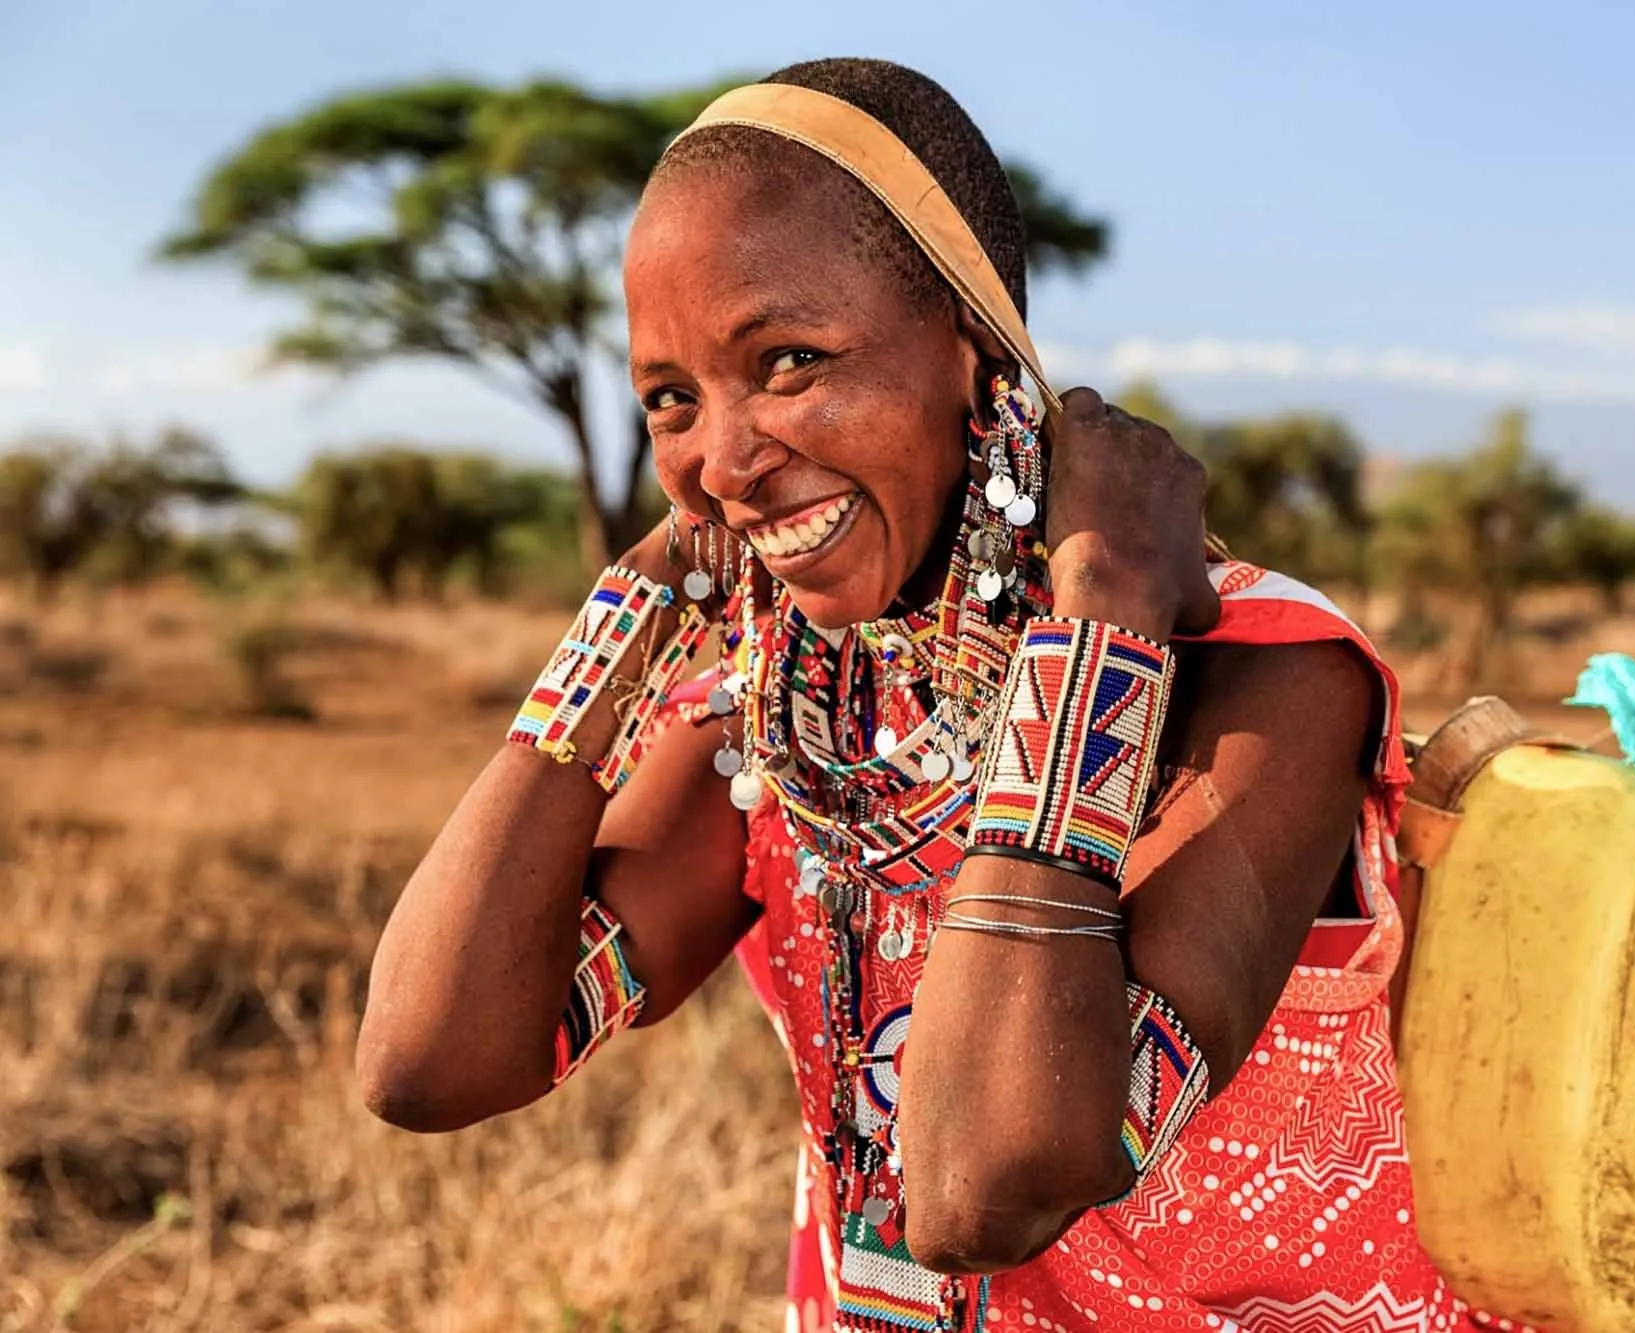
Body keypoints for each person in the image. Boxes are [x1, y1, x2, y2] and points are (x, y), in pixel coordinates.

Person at [358, 57, 1496, 1333]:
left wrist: (1099, 617)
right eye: (671, 397)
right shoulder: (787, 710)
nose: (723, 461)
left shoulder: (1260, 677)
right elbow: (431, 1056)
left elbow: (980, 1182)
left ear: (972, 348)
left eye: (787, 362)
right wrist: (635, 599)